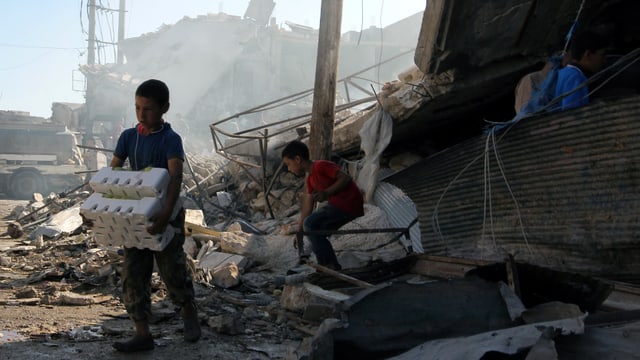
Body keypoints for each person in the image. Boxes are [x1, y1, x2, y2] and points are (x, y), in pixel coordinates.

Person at [110, 79, 200, 352]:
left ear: (165, 108)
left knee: (171, 269)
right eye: (137, 107)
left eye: (147, 109)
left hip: (167, 213)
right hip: (136, 213)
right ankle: (142, 332)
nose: (141, 114)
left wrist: (163, 215)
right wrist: (100, 212)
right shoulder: (128, 137)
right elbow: (112, 176)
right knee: (133, 273)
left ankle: (188, 312)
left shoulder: (171, 140)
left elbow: (175, 177)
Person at [281, 140, 364, 270]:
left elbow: (345, 178)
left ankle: (328, 266)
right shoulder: (310, 179)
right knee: (314, 229)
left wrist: (326, 193)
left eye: (288, 164)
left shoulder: (320, 166)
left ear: (297, 159)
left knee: (311, 224)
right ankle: (329, 265)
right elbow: (308, 206)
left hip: (348, 204)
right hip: (338, 207)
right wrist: (300, 231)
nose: (289, 169)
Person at [554, 31, 609, 111]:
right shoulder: (576, 78)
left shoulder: (565, 72)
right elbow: (573, 115)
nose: (604, 60)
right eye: (602, 55)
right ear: (588, 54)